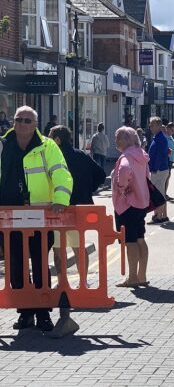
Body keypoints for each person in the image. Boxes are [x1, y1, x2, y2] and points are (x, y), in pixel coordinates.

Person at [0, 106, 73, 332]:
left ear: (35, 124)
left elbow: (61, 172)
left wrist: (61, 198)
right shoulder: (3, 145)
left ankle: (42, 312)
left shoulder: (47, 146)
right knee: (15, 265)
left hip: (41, 216)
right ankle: (24, 312)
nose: (22, 124)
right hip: (9, 217)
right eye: (19, 119)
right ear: (13, 122)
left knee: (40, 263)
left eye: (28, 120)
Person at [49, 125, 106, 284]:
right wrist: (88, 189)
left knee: (59, 249)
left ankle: (62, 283)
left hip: (58, 209)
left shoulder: (53, 157)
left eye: (51, 138)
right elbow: (101, 174)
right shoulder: (81, 155)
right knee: (79, 247)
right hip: (79, 209)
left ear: (58, 140)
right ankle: (83, 282)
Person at [112, 126, 150, 288]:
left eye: (118, 138)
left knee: (130, 241)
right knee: (140, 238)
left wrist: (121, 188)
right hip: (141, 202)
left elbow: (125, 170)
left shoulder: (126, 156)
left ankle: (132, 277)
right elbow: (147, 175)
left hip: (127, 205)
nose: (116, 141)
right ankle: (142, 275)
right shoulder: (141, 155)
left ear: (124, 140)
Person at [147, 117, 170, 224]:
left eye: (152, 125)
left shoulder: (160, 138)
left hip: (159, 170)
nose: (150, 127)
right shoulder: (158, 137)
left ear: (158, 126)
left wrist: (154, 169)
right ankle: (163, 215)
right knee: (160, 194)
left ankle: (158, 216)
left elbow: (160, 155)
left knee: (158, 195)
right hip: (160, 169)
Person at [164, 122, 174, 200]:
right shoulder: (164, 137)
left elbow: (171, 147)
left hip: (170, 160)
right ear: (167, 128)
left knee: (168, 177)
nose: (173, 132)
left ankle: (164, 193)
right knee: (166, 177)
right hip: (167, 160)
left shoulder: (170, 137)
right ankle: (163, 194)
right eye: (172, 130)